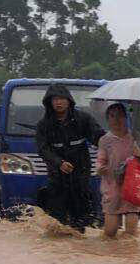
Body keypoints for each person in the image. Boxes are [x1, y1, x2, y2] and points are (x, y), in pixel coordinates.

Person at [33, 83, 103, 233]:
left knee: (82, 218)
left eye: (62, 99)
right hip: (57, 176)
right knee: (57, 220)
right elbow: (43, 149)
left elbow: (97, 137)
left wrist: (114, 141)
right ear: (49, 102)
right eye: (55, 99)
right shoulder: (43, 125)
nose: (58, 102)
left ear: (69, 100)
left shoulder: (83, 119)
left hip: (80, 175)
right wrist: (59, 163)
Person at [96, 102, 140, 238]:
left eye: (120, 116)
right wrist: (104, 169)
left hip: (132, 186)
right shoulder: (105, 140)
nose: (116, 120)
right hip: (112, 187)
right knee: (110, 232)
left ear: (126, 118)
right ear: (107, 119)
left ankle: (130, 256)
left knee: (130, 233)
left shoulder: (136, 137)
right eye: (112, 116)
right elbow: (100, 163)